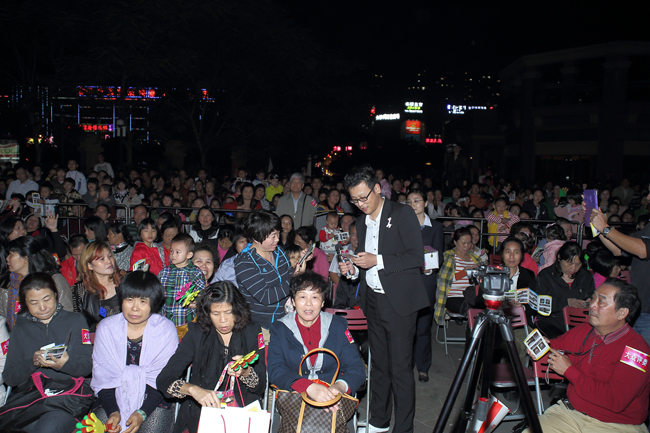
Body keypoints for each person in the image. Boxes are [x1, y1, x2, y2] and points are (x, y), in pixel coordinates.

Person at [338, 165, 428, 433]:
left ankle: (403, 428)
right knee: (378, 365)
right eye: (355, 200)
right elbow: (367, 262)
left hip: (398, 303)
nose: (360, 204)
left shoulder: (401, 214)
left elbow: (416, 257)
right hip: (373, 301)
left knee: (400, 370)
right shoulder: (361, 221)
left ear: (377, 189)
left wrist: (377, 260)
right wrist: (354, 269)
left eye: (364, 197)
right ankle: (378, 421)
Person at [524, 280, 650, 433]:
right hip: (570, 414)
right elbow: (556, 347)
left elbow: (615, 401)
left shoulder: (637, 351)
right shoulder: (584, 330)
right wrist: (542, 348)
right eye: (593, 298)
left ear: (622, 313)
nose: (592, 305)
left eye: (601, 302)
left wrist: (569, 371)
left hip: (616, 425)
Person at [157, 282, 267, 433]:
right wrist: (193, 390)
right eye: (215, 313)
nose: (223, 320)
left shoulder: (252, 331)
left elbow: (260, 387)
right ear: (207, 313)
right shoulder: (196, 333)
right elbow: (164, 379)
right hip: (202, 414)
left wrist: (246, 372)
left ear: (238, 310)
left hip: (242, 414)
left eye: (228, 312)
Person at [268, 271, 366, 423]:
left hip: (333, 401)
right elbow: (275, 370)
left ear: (322, 302)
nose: (308, 304)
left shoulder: (338, 327)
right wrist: (308, 387)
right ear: (293, 301)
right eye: (302, 297)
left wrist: (339, 387)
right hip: (294, 400)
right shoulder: (280, 329)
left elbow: (356, 368)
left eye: (315, 297)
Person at [2, 273, 93, 433]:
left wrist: (65, 364)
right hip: (31, 400)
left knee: (47, 428)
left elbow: (86, 367)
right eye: (34, 302)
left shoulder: (76, 321)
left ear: (56, 296)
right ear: (25, 304)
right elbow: (9, 377)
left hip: (66, 399)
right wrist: (33, 362)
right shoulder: (21, 329)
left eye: (47, 299)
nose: (42, 307)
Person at [90, 271, 178, 433]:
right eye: (129, 300)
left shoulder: (165, 330)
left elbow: (163, 378)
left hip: (155, 399)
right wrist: (113, 412)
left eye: (143, 301)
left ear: (154, 303)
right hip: (114, 396)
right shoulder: (107, 328)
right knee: (100, 428)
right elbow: (104, 376)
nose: (135, 308)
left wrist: (141, 413)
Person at [234, 211, 307, 342]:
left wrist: (299, 266)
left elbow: (288, 274)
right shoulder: (245, 262)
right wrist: (294, 278)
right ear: (256, 237)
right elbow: (266, 296)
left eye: (278, 234)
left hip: (285, 321)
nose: (278, 239)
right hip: (260, 328)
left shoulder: (278, 251)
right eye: (273, 236)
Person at [591, 204, 650, 345]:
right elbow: (618, 249)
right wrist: (597, 227)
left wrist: (605, 228)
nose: (647, 198)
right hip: (637, 308)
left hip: (648, 312)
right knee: (630, 358)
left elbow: (643, 250)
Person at [406, 190, 444, 383]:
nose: (413, 204)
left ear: (426, 203)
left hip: (426, 282)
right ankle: (406, 365)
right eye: (409, 201)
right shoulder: (403, 226)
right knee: (406, 327)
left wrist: (428, 264)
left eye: (417, 201)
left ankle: (423, 366)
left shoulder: (435, 227)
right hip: (406, 281)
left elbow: (440, 256)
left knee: (422, 327)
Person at [3, 236, 74, 331]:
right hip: (15, 339)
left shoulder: (54, 280)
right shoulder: (8, 284)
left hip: (47, 337)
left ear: (25, 258)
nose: (7, 258)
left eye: (11, 254)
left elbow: (66, 313)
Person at [536, 242, 596, 339]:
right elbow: (540, 304)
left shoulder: (585, 276)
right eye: (569, 263)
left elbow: (591, 295)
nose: (573, 268)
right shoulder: (546, 275)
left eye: (578, 264)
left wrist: (589, 303)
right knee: (560, 340)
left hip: (579, 322)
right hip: (552, 322)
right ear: (559, 258)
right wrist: (567, 302)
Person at [158, 233, 206, 335]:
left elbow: (200, 292)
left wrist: (197, 300)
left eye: (177, 252)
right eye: (171, 251)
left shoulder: (195, 272)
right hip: (166, 321)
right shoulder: (164, 272)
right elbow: (157, 292)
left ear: (189, 254)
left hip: (186, 320)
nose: (173, 255)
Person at [434, 227, 480, 326]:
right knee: (472, 311)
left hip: (471, 295)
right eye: (463, 243)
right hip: (453, 296)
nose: (466, 246)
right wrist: (464, 272)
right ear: (455, 242)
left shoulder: (474, 258)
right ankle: (475, 338)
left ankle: (476, 337)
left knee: (485, 307)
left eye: (469, 243)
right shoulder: (448, 257)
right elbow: (443, 280)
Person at [72, 241, 123, 329]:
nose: (109, 261)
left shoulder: (125, 281)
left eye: (110, 256)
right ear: (89, 266)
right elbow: (80, 324)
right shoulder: (81, 291)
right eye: (101, 259)